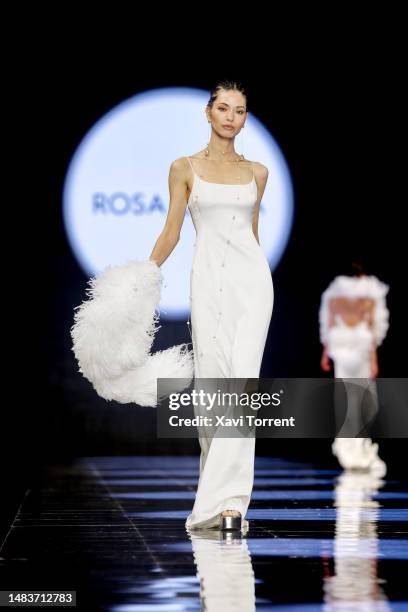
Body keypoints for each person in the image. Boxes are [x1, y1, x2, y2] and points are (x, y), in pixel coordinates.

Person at [149, 79, 274, 531]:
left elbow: (253, 236)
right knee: (213, 391)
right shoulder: (184, 167)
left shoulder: (258, 172)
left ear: (244, 118)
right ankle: (216, 488)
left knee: (241, 387)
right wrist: (143, 275)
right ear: (208, 113)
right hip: (207, 285)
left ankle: (231, 503)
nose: (230, 117)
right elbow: (172, 233)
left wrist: (259, 281)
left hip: (253, 284)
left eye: (239, 111)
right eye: (223, 108)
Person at [319, 263, 389, 475]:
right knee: (363, 400)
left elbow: (330, 326)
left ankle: (348, 448)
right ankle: (357, 447)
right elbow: (371, 330)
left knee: (346, 399)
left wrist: (325, 354)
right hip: (359, 351)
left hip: (342, 352)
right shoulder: (368, 298)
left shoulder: (334, 297)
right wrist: (374, 361)